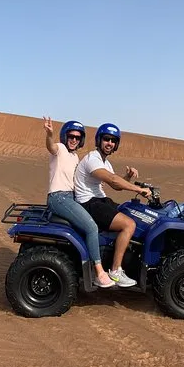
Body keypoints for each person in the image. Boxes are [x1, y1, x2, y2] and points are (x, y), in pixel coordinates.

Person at [74, 123, 152, 288]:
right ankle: (116, 271)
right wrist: (139, 189)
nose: (109, 143)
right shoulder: (93, 159)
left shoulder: (105, 162)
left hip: (100, 200)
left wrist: (128, 177)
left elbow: (116, 185)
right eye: (106, 139)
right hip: (89, 203)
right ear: (99, 140)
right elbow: (113, 180)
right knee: (129, 224)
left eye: (113, 140)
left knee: (130, 212)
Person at [43, 116, 115, 288]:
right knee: (91, 227)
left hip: (72, 198)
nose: (74, 140)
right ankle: (99, 272)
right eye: (71, 136)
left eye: (77, 137)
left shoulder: (75, 157)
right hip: (59, 197)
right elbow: (51, 147)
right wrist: (49, 134)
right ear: (65, 136)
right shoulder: (60, 149)